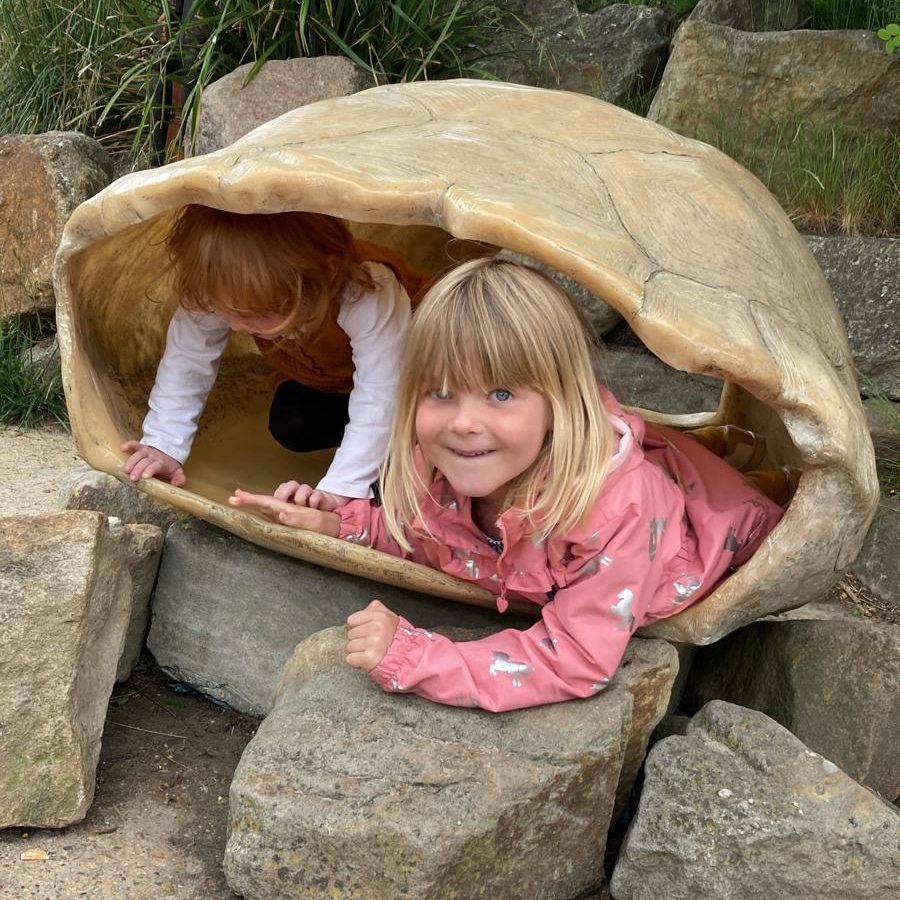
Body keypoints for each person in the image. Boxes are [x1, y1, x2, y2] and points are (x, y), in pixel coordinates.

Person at [230, 257, 787, 712]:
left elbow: (576, 657)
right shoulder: (440, 464)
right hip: (600, 478)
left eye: (500, 394)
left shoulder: (615, 509)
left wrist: (421, 658)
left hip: (704, 533)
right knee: (671, 459)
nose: (463, 422)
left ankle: (750, 474)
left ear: (559, 402)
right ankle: (704, 451)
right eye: (440, 392)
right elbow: (425, 538)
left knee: (727, 500)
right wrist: (337, 522)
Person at [121, 204, 428, 509]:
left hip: (421, 379)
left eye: (256, 314)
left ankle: (400, 447)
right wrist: (162, 443)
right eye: (225, 310)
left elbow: (383, 391)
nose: (236, 326)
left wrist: (342, 487)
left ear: (325, 274)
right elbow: (188, 357)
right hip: (333, 382)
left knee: (422, 439)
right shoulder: (227, 286)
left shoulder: (366, 289)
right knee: (292, 424)